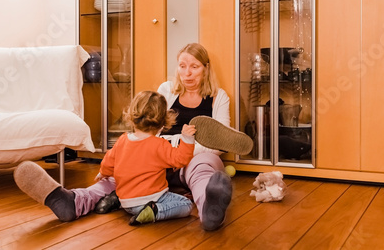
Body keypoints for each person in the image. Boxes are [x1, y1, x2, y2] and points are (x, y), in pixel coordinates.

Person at [13, 43, 252, 230]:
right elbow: (147, 130)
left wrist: (182, 148)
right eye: (182, 66)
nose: (187, 73)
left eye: (194, 67)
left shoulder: (218, 97)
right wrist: (140, 153)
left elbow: (219, 144)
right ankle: (72, 201)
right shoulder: (167, 90)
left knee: (205, 170)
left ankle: (209, 210)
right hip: (156, 156)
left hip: (193, 158)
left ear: (206, 68)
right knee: (122, 170)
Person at [96, 90, 196, 225]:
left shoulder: (122, 140)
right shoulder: (159, 144)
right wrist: (187, 139)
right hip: (152, 198)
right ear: (162, 122)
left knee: (128, 196)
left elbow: (108, 162)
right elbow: (180, 159)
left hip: (127, 201)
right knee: (186, 204)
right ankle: (155, 211)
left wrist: (102, 173)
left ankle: (116, 201)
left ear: (132, 115)